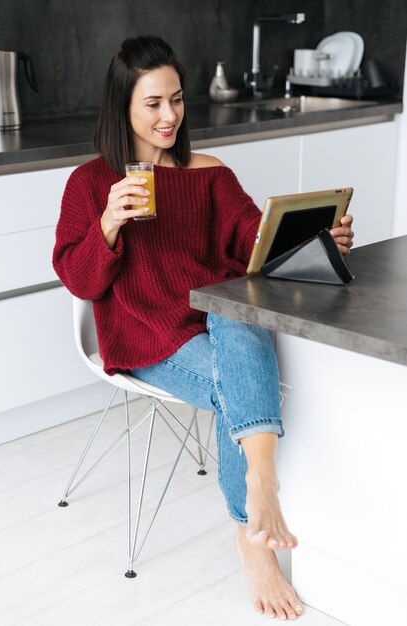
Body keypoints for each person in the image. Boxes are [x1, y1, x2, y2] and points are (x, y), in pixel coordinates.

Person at [53, 35, 354, 620]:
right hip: (146, 336)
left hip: (217, 323)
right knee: (234, 373)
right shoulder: (90, 185)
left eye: (178, 100)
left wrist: (319, 239)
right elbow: (81, 282)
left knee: (233, 308)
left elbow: (253, 247)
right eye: (153, 104)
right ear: (122, 109)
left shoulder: (210, 173)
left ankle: (255, 492)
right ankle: (254, 524)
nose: (170, 116)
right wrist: (109, 224)